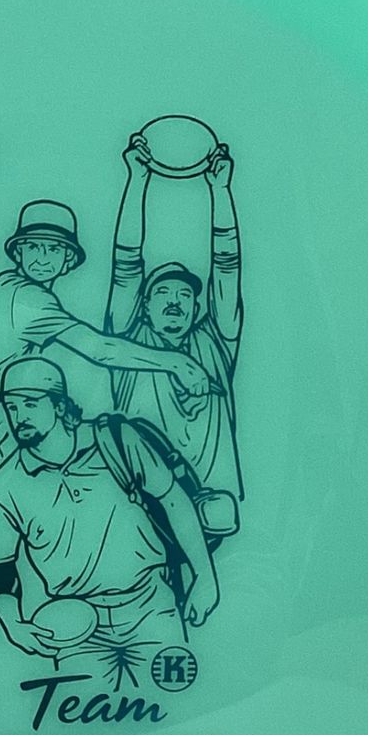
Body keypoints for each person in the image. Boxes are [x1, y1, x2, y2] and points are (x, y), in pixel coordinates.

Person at [0, 358, 219, 690]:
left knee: (178, 705)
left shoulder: (116, 439)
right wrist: (13, 624)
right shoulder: (3, 486)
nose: (19, 416)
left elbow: (175, 502)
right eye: (11, 407)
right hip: (75, 627)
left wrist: (205, 578)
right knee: (85, 716)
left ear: (60, 406)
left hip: (149, 605)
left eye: (30, 404)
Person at [0, 199, 210, 456]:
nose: (43, 258)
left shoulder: (15, 290)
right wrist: (176, 363)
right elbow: (100, 349)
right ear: (18, 253)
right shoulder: (25, 297)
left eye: (54, 249)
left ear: (68, 259)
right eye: (33, 247)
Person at [105, 131, 244, 501]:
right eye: (163, 293)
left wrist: (220, 190)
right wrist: (137, 181)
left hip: (216, 507)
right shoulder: (129, 343)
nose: (174, 302)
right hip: (145, 510)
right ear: (144, 306)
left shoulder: (215, 343)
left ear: (197, 309)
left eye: (184, 295)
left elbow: (227, 267)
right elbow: (125, 265)